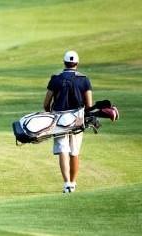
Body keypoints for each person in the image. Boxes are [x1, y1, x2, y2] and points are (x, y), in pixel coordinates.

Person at [43, 50, 93, 193]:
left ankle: (66, 184)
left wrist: (49, 116)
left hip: (58, 118)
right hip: (77, 118)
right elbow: (89, 104)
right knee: (74, 151)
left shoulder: (56, 79)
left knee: (63, 149)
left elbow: (46, 103)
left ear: (64, 62)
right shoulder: (84, 79)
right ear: (77, 63)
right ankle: (73, 182)